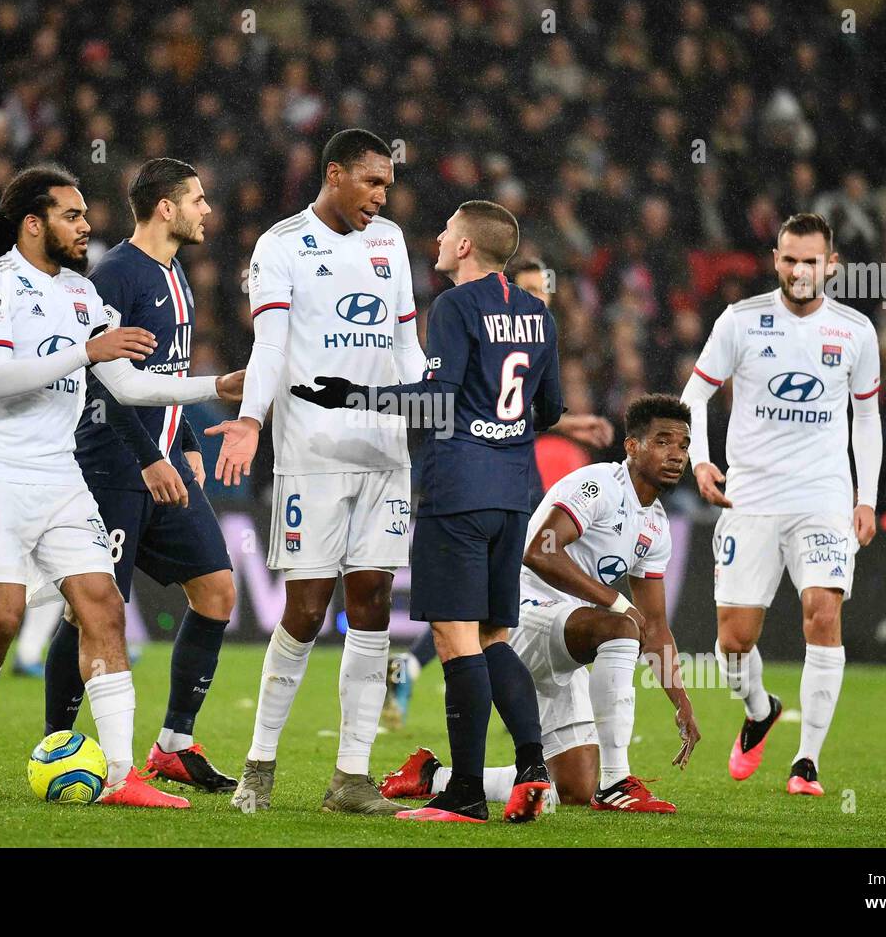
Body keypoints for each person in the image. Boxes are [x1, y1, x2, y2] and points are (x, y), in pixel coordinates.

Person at [0, 164, 243, 808]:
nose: (86, 227)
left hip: (60, 475)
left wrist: (210, 390)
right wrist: (87, 353)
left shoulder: (81, 295)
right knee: (2, 618)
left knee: (103, 608)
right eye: (71, 217)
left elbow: (127, 385)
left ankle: (121, 775)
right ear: (33, 223)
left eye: (85, 216)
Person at [294, 199, 564, 823]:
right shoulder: (536, 314)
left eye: (446, 231)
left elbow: (438, 402)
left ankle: (466, 791)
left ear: (466, 246)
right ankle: (531, 769)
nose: (438, 240)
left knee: (453, 638)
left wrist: (353, 396)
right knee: (494, 636)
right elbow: (548, 410)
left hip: (458, 491)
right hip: (513, 492)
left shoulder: (454, 307)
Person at [206, 129, 427, 814]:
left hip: (387, 453)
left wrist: (440, 409)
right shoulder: (281, 246)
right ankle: (260, 765)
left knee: (372, 607)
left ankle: (351, 779)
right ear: (334, 175)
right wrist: (250, 419)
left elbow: (406, 348)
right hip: (315, 457)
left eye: (387, 185)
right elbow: (269, 346)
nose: (381, 197)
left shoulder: (390, 242)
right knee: (306, 609)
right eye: (370, 182)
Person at [380, 394, 700, 812]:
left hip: (565, 635)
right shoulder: (599, 485)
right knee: (621, 626)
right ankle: (617, 782)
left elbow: (655, 626)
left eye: (684, 445)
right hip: (520, 614)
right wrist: (616, 603)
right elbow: (540, 552)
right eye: (663, 442)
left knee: (572, 787)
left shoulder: (657, 525)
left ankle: (431, 775)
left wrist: (682, 704)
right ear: (632, 446)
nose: (677, 455)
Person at [42, 158, 238, 796]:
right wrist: (149, 457)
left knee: (217, 591)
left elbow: (162, 375)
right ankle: (58, 743)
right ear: (164, 206)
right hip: (113, 470)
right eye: (198, 199)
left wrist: (181, 442)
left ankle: (174, 743)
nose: (207, 210)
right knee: (92, 615)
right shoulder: (117, 275)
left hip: (160, 464)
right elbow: (102, 379)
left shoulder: (174, 271)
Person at [679, 212, 882, 796]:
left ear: (831, 266)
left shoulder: (854, 332)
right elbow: (696, 394)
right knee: (734, 640)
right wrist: (700, 459)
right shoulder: (741, 321)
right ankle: (760, 708)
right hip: (752, 496)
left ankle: (807, 760)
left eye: (811, 261)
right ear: (775, 259)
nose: (799, 270)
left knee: (822, 611)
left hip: (823, 497)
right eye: (790, 259)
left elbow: (866, 419)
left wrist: (865, 497)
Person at [381, 256, 614, 728]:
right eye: (532, 289)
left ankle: (430, 678)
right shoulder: (487, 317)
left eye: (544, 293)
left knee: (484, 616)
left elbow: (507, 401)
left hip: (505, 479)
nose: (538, 302)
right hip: (489, 478)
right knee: (486, 618)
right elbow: (482, 399)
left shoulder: (521, 323)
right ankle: (525, 729)